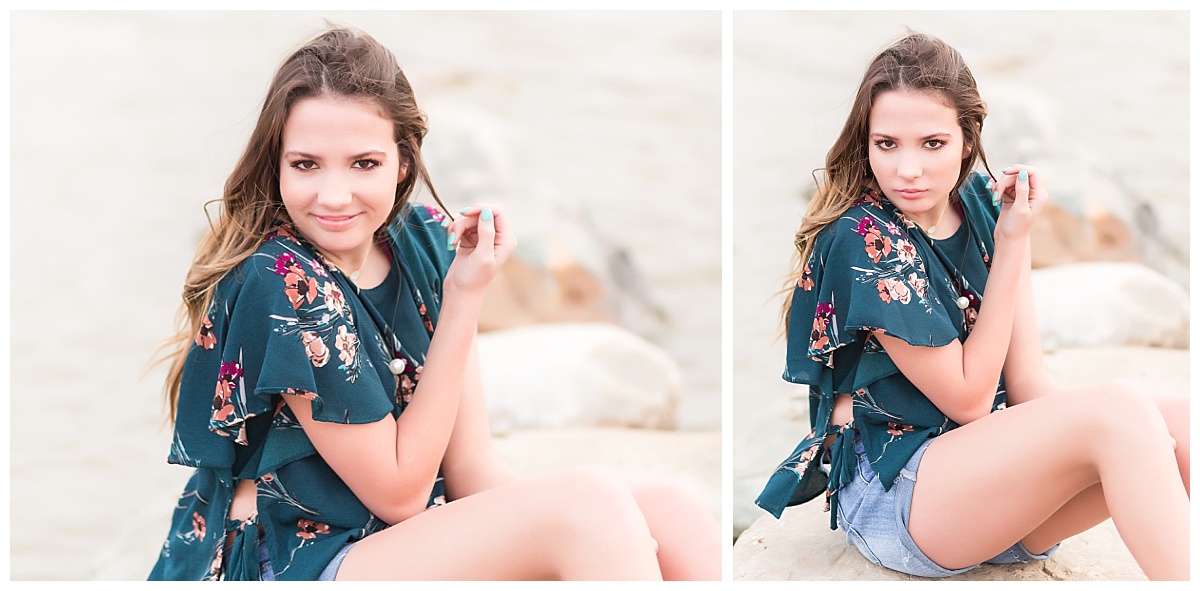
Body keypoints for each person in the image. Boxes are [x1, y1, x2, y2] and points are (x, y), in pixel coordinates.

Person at [149, 26, 720, 581]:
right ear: (277, 166)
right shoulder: (280, 280)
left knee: (671, 510)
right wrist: (466, 296)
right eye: (305, 164)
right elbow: (400, 493)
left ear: (404, 161)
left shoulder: (422, 241)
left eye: (364, 163)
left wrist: (581, 531)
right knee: (588, 504)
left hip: (400, 540)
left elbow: (470, 467)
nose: (334, 195)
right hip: (297, 559)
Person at [755, 31, 1189, 580]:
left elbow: (1027, 382)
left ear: (967, 139)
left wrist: (1126, 437)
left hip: (989, 491)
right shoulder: (863, 238)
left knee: (1178, 421)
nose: (908, 169)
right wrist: (1013, 243)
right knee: (1121, 409)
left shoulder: (981, 202)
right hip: (899, 497)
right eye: (887, 143)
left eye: (931, 143)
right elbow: (968, 400)